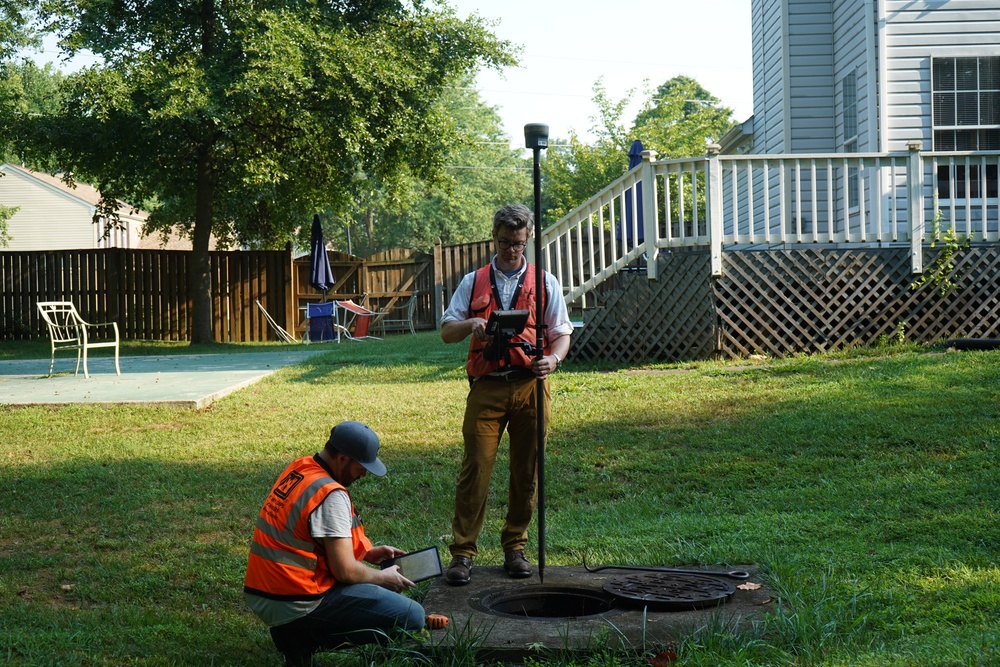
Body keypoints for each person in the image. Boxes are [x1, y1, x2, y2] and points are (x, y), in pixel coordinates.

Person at [440, 204, 573, 586]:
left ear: (527, 238)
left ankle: (515, 547)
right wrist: (471, 323)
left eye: (517, 243)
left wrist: (553, 359)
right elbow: (447, 331)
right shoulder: (473, 280)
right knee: (476, 469)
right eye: (503, 242)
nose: (511, 250)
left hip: (531, 386)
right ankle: (463, 553)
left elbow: (561, 332)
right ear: (494, 238)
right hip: (487, 387)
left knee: (526, 470)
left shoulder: (545, 281)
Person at [244, 420, 424, 666]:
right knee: (413, 616)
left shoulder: (301, 468)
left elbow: (308, 536)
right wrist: (384, 578)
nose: (364, 474)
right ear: (342, 458)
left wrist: (367, 552)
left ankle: (292, 636)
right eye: (362, 467)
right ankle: (302, 638)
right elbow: (345, 571)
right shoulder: (330, 494)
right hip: (298, 602)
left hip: (266, 595)